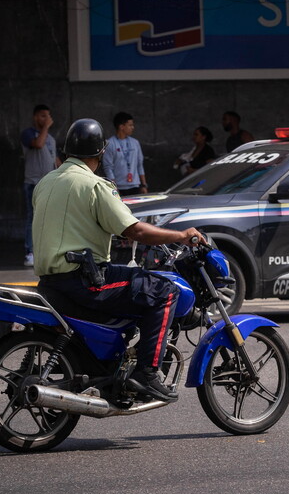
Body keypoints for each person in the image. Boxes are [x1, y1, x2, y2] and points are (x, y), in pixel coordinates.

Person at [32, 118, 205, 402]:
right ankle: (146, 374)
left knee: (133, 285)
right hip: (83, 281)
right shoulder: (95, 185)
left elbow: (71, 223)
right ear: (100, 154)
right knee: (164, 293)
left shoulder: (46, 182)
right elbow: (136, 229)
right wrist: (180, 235)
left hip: (50, 283)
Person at [20, 104, 57, 267]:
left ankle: (46, 251)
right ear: (35, 117)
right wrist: (46, 128)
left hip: (49, 183)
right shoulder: (28, 134)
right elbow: (38, 144)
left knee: (49, 219)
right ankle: (30, 251)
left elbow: (54, 159)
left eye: (48, 116)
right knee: (32, 218)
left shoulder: (50, 138)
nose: (46, 119)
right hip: (33, 183)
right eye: (43, 116)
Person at [103, 112, 147, 196]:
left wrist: (144, 184)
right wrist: (114, 188)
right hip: (119, 187)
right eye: (130, 125)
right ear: (121, 127)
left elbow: (140, 165)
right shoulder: (110, 143)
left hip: (135, 186)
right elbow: (108, 167)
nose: (132, 128)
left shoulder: (135, 143)